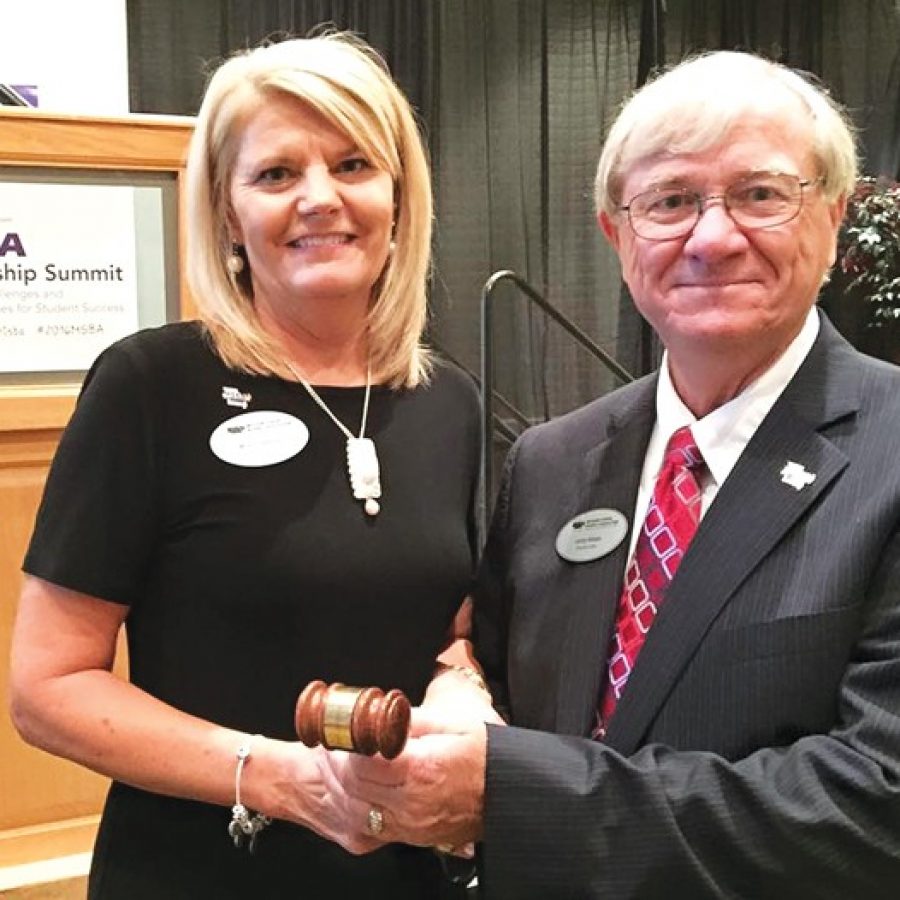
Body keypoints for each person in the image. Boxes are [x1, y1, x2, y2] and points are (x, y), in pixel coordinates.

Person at [332, 50, 900, 897]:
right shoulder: (553, 460)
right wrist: (457, 692)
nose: (711, 237)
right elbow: (498, 682)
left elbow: (876, 802)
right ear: (617, 234)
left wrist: (513, 795)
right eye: (670, 201)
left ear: (834, 215)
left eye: (760, 195)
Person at [9, 33, 497, 899]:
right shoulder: (151, 386)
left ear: (398, 196)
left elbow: (452, 627)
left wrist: (459, 691)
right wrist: (283, 781)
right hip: (203, 870)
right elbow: (48, 689)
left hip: (405, 874)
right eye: (275, 175)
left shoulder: (447, 400)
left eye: (352, 164)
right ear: (229, 213)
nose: (320, 199)